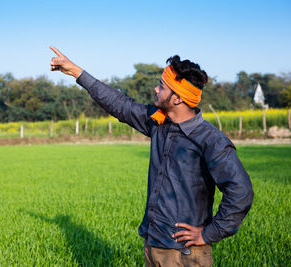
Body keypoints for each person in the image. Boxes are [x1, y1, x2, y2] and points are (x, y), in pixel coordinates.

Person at [49, 46, 254, 267]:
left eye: (162, 86)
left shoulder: (211, 140)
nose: (156, 89)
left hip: (184, 254)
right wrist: (77, 72)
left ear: (177, 98)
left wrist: (208, 234)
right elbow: (119, 104)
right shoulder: (159, 123)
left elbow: (241, 191)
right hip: (153, 244)